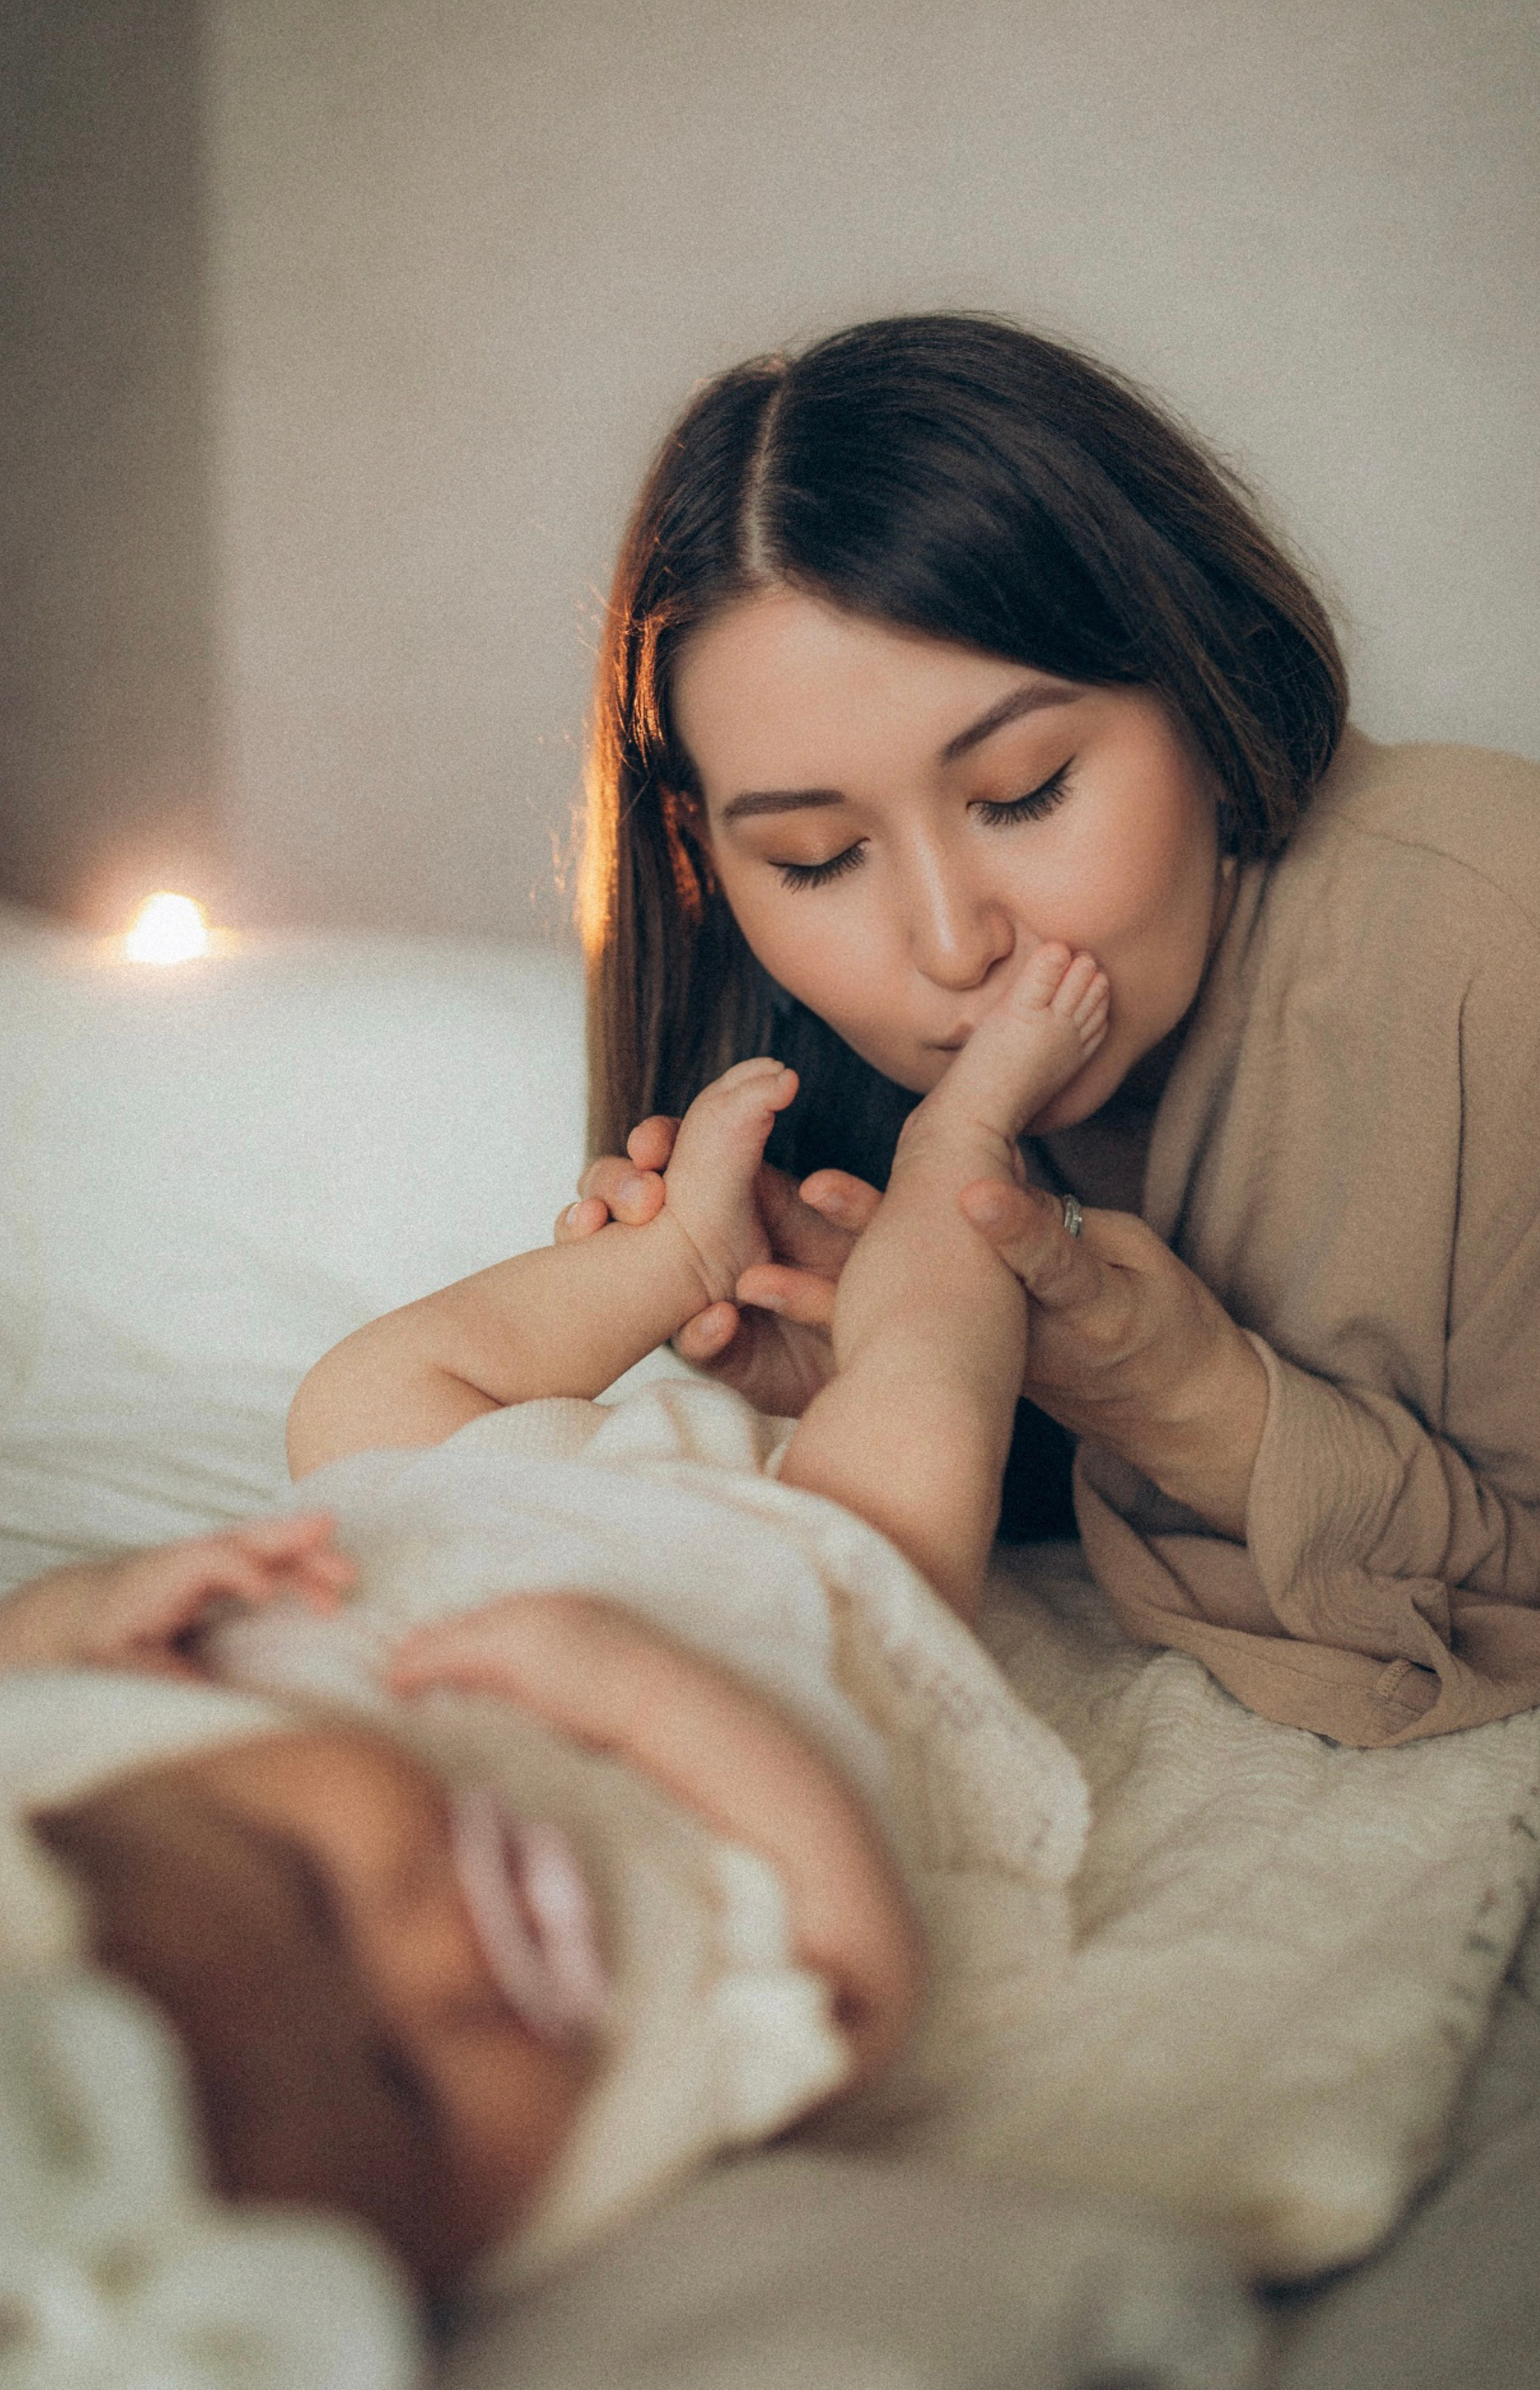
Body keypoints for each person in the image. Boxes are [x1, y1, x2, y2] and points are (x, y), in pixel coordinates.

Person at [1, 941, 1103, 2295]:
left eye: (320, 1896)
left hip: (483, 1512)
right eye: (411, 2089)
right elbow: (861, 1987)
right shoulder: (626, 2103)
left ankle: (681, 1254)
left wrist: (97, 1611)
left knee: (354, 1401)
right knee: (917, 1433)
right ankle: (958, 1159)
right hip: (806, 1609)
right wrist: (635, 1696)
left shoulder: (98, 1774)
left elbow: (19, 1669)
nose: (438, 1970)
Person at [564, 309, 1540, 1749]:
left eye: (1022, 791)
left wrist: (1185, 1394)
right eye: (818, 860)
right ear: (707, 867)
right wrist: (907, 1370)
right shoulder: (803, 1082)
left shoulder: (1489, 940)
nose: (954, 945)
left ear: (1207, 687)